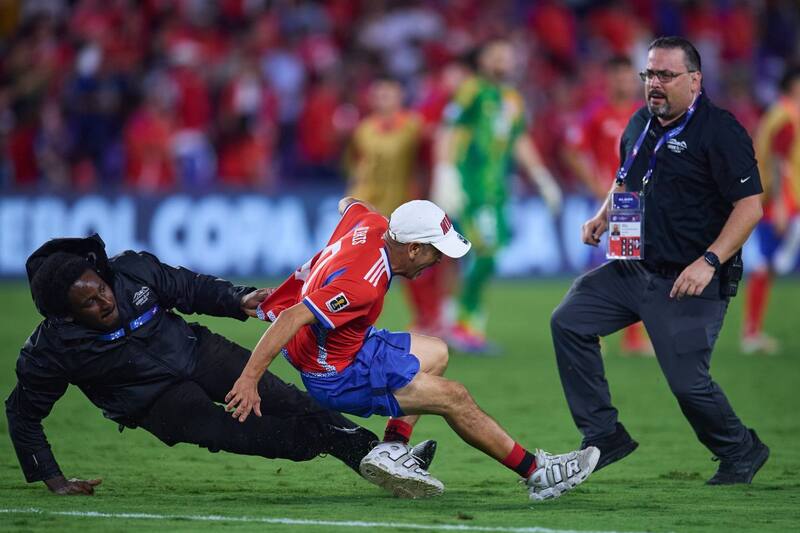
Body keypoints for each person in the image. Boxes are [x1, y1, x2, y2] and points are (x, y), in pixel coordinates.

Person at [225, 197, 599, 501]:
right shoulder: (363, 285)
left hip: (348, 345)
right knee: (455, 397)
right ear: (414, 248)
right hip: (336, 373)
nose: (439, 262)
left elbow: (348, 203)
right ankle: (538, 473)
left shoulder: (371, 224)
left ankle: (391, 451)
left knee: (436, 353)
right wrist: (249, 379)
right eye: (436, 253)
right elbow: (291, 318)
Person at [6, 234, 435, 496]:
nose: (104, 301)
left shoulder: (130, 272)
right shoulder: (51, 349)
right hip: (158, 405)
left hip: (200, 352)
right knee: (270, 438)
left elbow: (188, 287)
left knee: (295, 402)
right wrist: (52, 477)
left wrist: (238, 298)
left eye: (100, 289)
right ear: (65, 313)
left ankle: (383, 457)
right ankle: (374, 455)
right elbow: (22, 413)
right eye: (89, 303)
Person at [550, 37, 769, 484]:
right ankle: (604, 432)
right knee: (569, 320)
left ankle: (740, 448)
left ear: (695, 80)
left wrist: (708, 260)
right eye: (649, 74)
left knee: (689, 386)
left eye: (666, 75)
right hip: (635, 267)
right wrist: (604, 215)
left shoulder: (720, 132)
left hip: (690, 278)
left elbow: (750, 208)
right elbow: (626, 180)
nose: (655, 83)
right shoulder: (639, 124)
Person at [431, 38, 563, 353]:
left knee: (482, 255)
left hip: (497, 192)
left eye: (507, 54)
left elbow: (519, 140)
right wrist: (445, 174)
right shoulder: (471, 90)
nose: (503, 60)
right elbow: (448, 131)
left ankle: (458, 320)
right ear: (482, 60)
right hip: (471, 188)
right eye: (496, 54)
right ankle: (463, 324)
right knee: (484, 253)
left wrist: (542, 177)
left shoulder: (512, 99)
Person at [563, 55, 653, 356]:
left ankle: (631, 338)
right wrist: (596, 185)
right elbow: (573, 151)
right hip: (606, 202)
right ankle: (589, 328)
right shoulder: (596, 114)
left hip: (631, 202)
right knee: (599, 267)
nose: (624, 82)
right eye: (618, 77)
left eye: (629, 77)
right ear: (609, 80)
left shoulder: (643, 115)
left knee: (630, 266)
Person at [343, 76, 440, 335]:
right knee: (363, 270)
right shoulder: (363, 129)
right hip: (370, 210)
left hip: (403, 208)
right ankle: (354, 323)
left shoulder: (414, 126)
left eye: (388, 93)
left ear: (400, 96)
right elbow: (357, 165)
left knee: (417, 267)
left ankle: (429, 320)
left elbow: (427, 159)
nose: (382, 98)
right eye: (378, 94)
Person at [742, 66, 800, 355]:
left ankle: (752, 331)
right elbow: (779, 161)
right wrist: (778, 204)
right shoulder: (788, 116)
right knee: (766, 266)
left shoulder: (775, 114)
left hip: (771, 199)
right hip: (779, 202)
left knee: (766, 266)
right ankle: (751, 333)